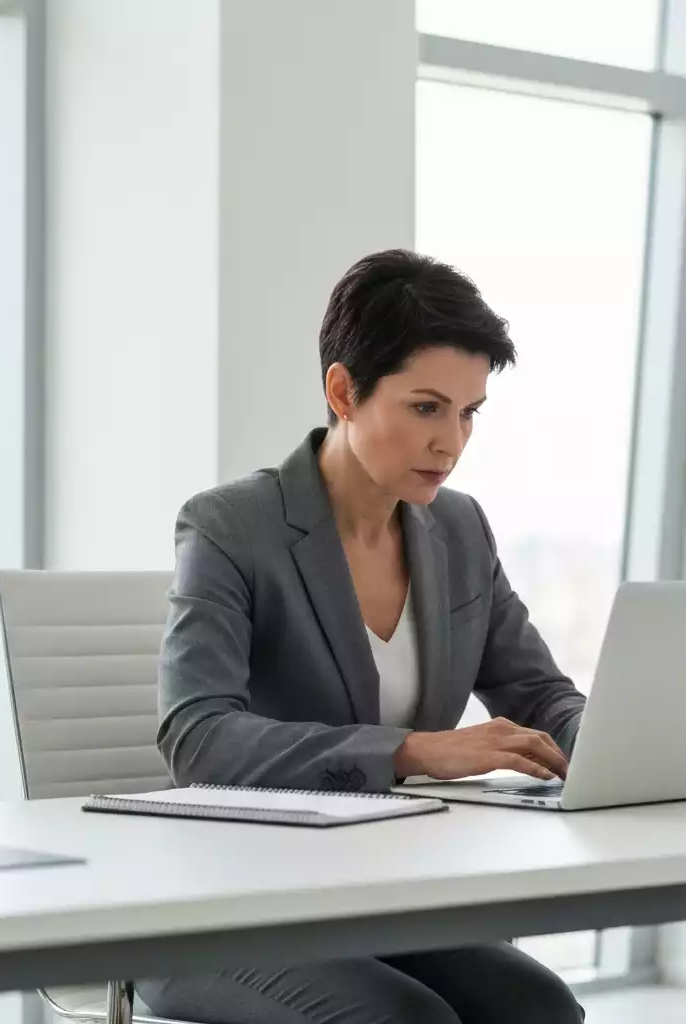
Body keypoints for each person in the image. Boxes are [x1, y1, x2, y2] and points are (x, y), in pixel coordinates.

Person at [139, 250, 587, 1024]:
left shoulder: (459, 528)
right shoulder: (231, 527)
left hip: (388, 897)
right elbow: (198, 737)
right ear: (343, 391)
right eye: (426, 407)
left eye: (469, 411)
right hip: (223, 910)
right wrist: (412, 751)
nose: (452, 441)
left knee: (539, 1009)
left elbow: (539, 695)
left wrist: (625, 754)